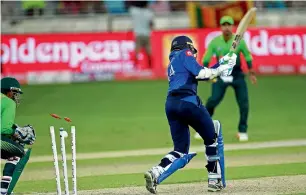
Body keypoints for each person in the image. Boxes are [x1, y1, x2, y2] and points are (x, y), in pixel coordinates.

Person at [144, 35, 237, 194]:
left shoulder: (173, 62)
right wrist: (221, 69)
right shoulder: (184, 54)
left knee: (180, 150)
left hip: (171, 105)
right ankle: (214, 180)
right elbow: (202, 73)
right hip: (188, 102)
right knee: (212, 135)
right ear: (186, 46)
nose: (193, 52)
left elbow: (200, 74)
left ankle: (156, 172)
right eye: (191, 48)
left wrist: (223, 63)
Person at [194, 16, 257, 142]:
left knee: (244, 104)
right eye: (224, 25)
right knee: (213, 101)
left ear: (233, 27)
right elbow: (206, 58)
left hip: (237, 75)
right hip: (221, 75)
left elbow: (247, 56)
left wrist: (251, 72)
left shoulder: (239, 41)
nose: (226, 27)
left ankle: (242, 131)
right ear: (221, 27)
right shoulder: (215, 42)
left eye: (229, 25)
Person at [1, 77, 36, 195]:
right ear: (9, 91)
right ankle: (4, 190)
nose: (15, 96)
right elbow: (4, 128)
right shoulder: (8, 102)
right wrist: (16, 132)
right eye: (15, 93)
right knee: (18, 152)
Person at [129, 1, 154, 69]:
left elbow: (129, 5)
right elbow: (151, 24)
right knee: (149, 53)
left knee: (137, 52)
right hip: (146, 35)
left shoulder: (134, 11)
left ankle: (135, 67)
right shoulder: (149, 12)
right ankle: (151, 68)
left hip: (138, 35)